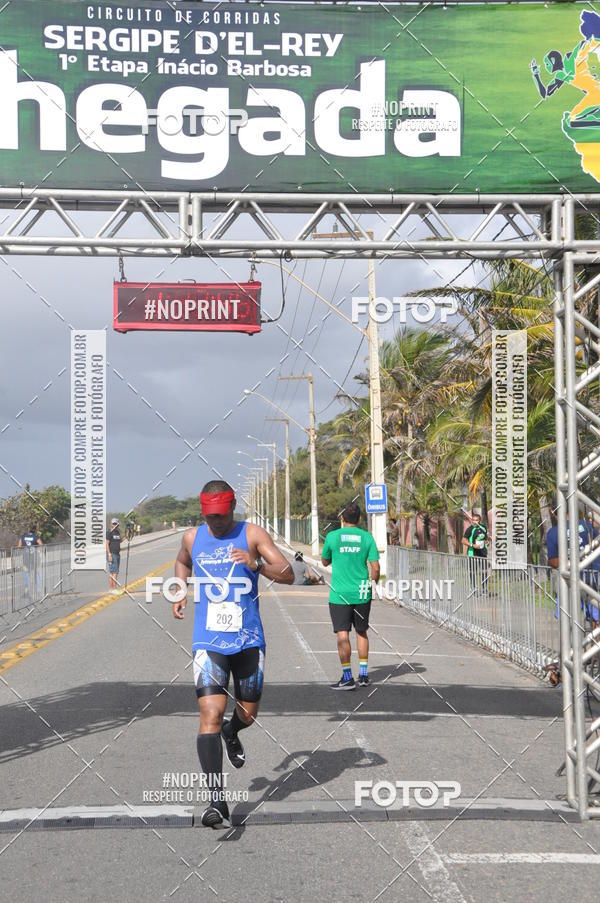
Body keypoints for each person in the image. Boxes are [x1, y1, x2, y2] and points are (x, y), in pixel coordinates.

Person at [172, 479, 294, 829]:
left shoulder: (252, 534)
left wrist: (255, 565)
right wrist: (180, 589)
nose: (217, 523)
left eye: (222, 516)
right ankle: (216, 801)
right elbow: (182, 562)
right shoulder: (193, 538)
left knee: (248, 712)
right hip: (208, 640)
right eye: (211, 517)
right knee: (209, 713)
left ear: (233, 507)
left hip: (248, 640)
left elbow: (288, 575)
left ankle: (233, 731)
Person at [320, 502, 380, 690]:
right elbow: (376, 567)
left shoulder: (332, 537)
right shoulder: (367, 537)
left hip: (340, 594)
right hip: (362, 592)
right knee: (362, 631)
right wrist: (373, 584)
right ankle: (363, 675)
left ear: (342, 519)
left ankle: (347, 677)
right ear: (359, 519)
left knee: (342, 633)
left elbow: (324, 561)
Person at [462, 513, 488, 591]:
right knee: (473, 571)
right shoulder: (470, 529)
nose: (475, 522)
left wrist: (487, 541)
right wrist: (472, 545)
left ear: (479, 520)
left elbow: (485, 537)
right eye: (473, 520)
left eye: (476, 520)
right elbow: (463, 540)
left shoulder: (483, 527)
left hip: (483, 553)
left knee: (484, 571)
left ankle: (484, 588)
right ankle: (473, 587)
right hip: (473, 553)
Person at [18, 526, 43, 598]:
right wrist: (37, 550)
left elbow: (19, 546)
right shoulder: (35, 537)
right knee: (37, 574)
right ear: (34, 531)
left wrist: (24, 549)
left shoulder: (23, 537)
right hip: (34, 558)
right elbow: (41, 544)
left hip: (26, 559)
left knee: (26, 574)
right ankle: (39, 590)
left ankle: (26, 590)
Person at [105, 517, 122, 594]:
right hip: (112, 554)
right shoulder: (109, 532)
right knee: (114, 572)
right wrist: (109, 555)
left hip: (117, 554)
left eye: (116, 524)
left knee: (113, 572)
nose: (115, 525)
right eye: (114, 523)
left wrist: (127, 536)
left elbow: (119, 541)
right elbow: (106, 544)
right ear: (111, 524)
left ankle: (111, 589)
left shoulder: (117, 532)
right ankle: (114, 589)